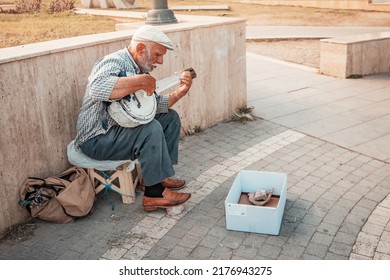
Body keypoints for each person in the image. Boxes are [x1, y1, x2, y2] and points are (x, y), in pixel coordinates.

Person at [73, 25, 193, 211]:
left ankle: (155, 178)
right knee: (150, 129)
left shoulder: (139, 68)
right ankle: (153, 195)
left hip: (120, 130)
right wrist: (140, 81)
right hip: (97, 139)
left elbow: (155, 106)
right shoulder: (114, 62)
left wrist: (181, 92)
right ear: (140, 49)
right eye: (157, 55)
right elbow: (97, 88)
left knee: (170, 118)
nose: (160, 62)